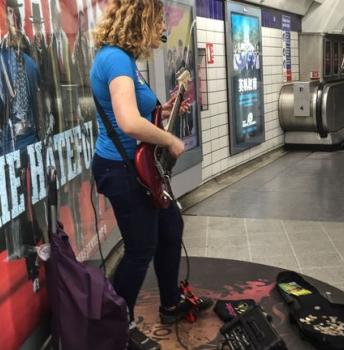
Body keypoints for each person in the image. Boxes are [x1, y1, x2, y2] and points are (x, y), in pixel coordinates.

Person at [90, 1, 210, 349]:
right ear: (141, 18)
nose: (161, 26)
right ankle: (114, 324)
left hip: (138, 169)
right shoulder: (114, 59)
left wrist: (165, 109)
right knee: (140, 248)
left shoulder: (124, 60)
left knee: (171, 227)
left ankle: (170, 303)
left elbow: (135, 112)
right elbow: (128, 123)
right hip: (122, 170)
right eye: (157, 18)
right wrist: (170, 138)